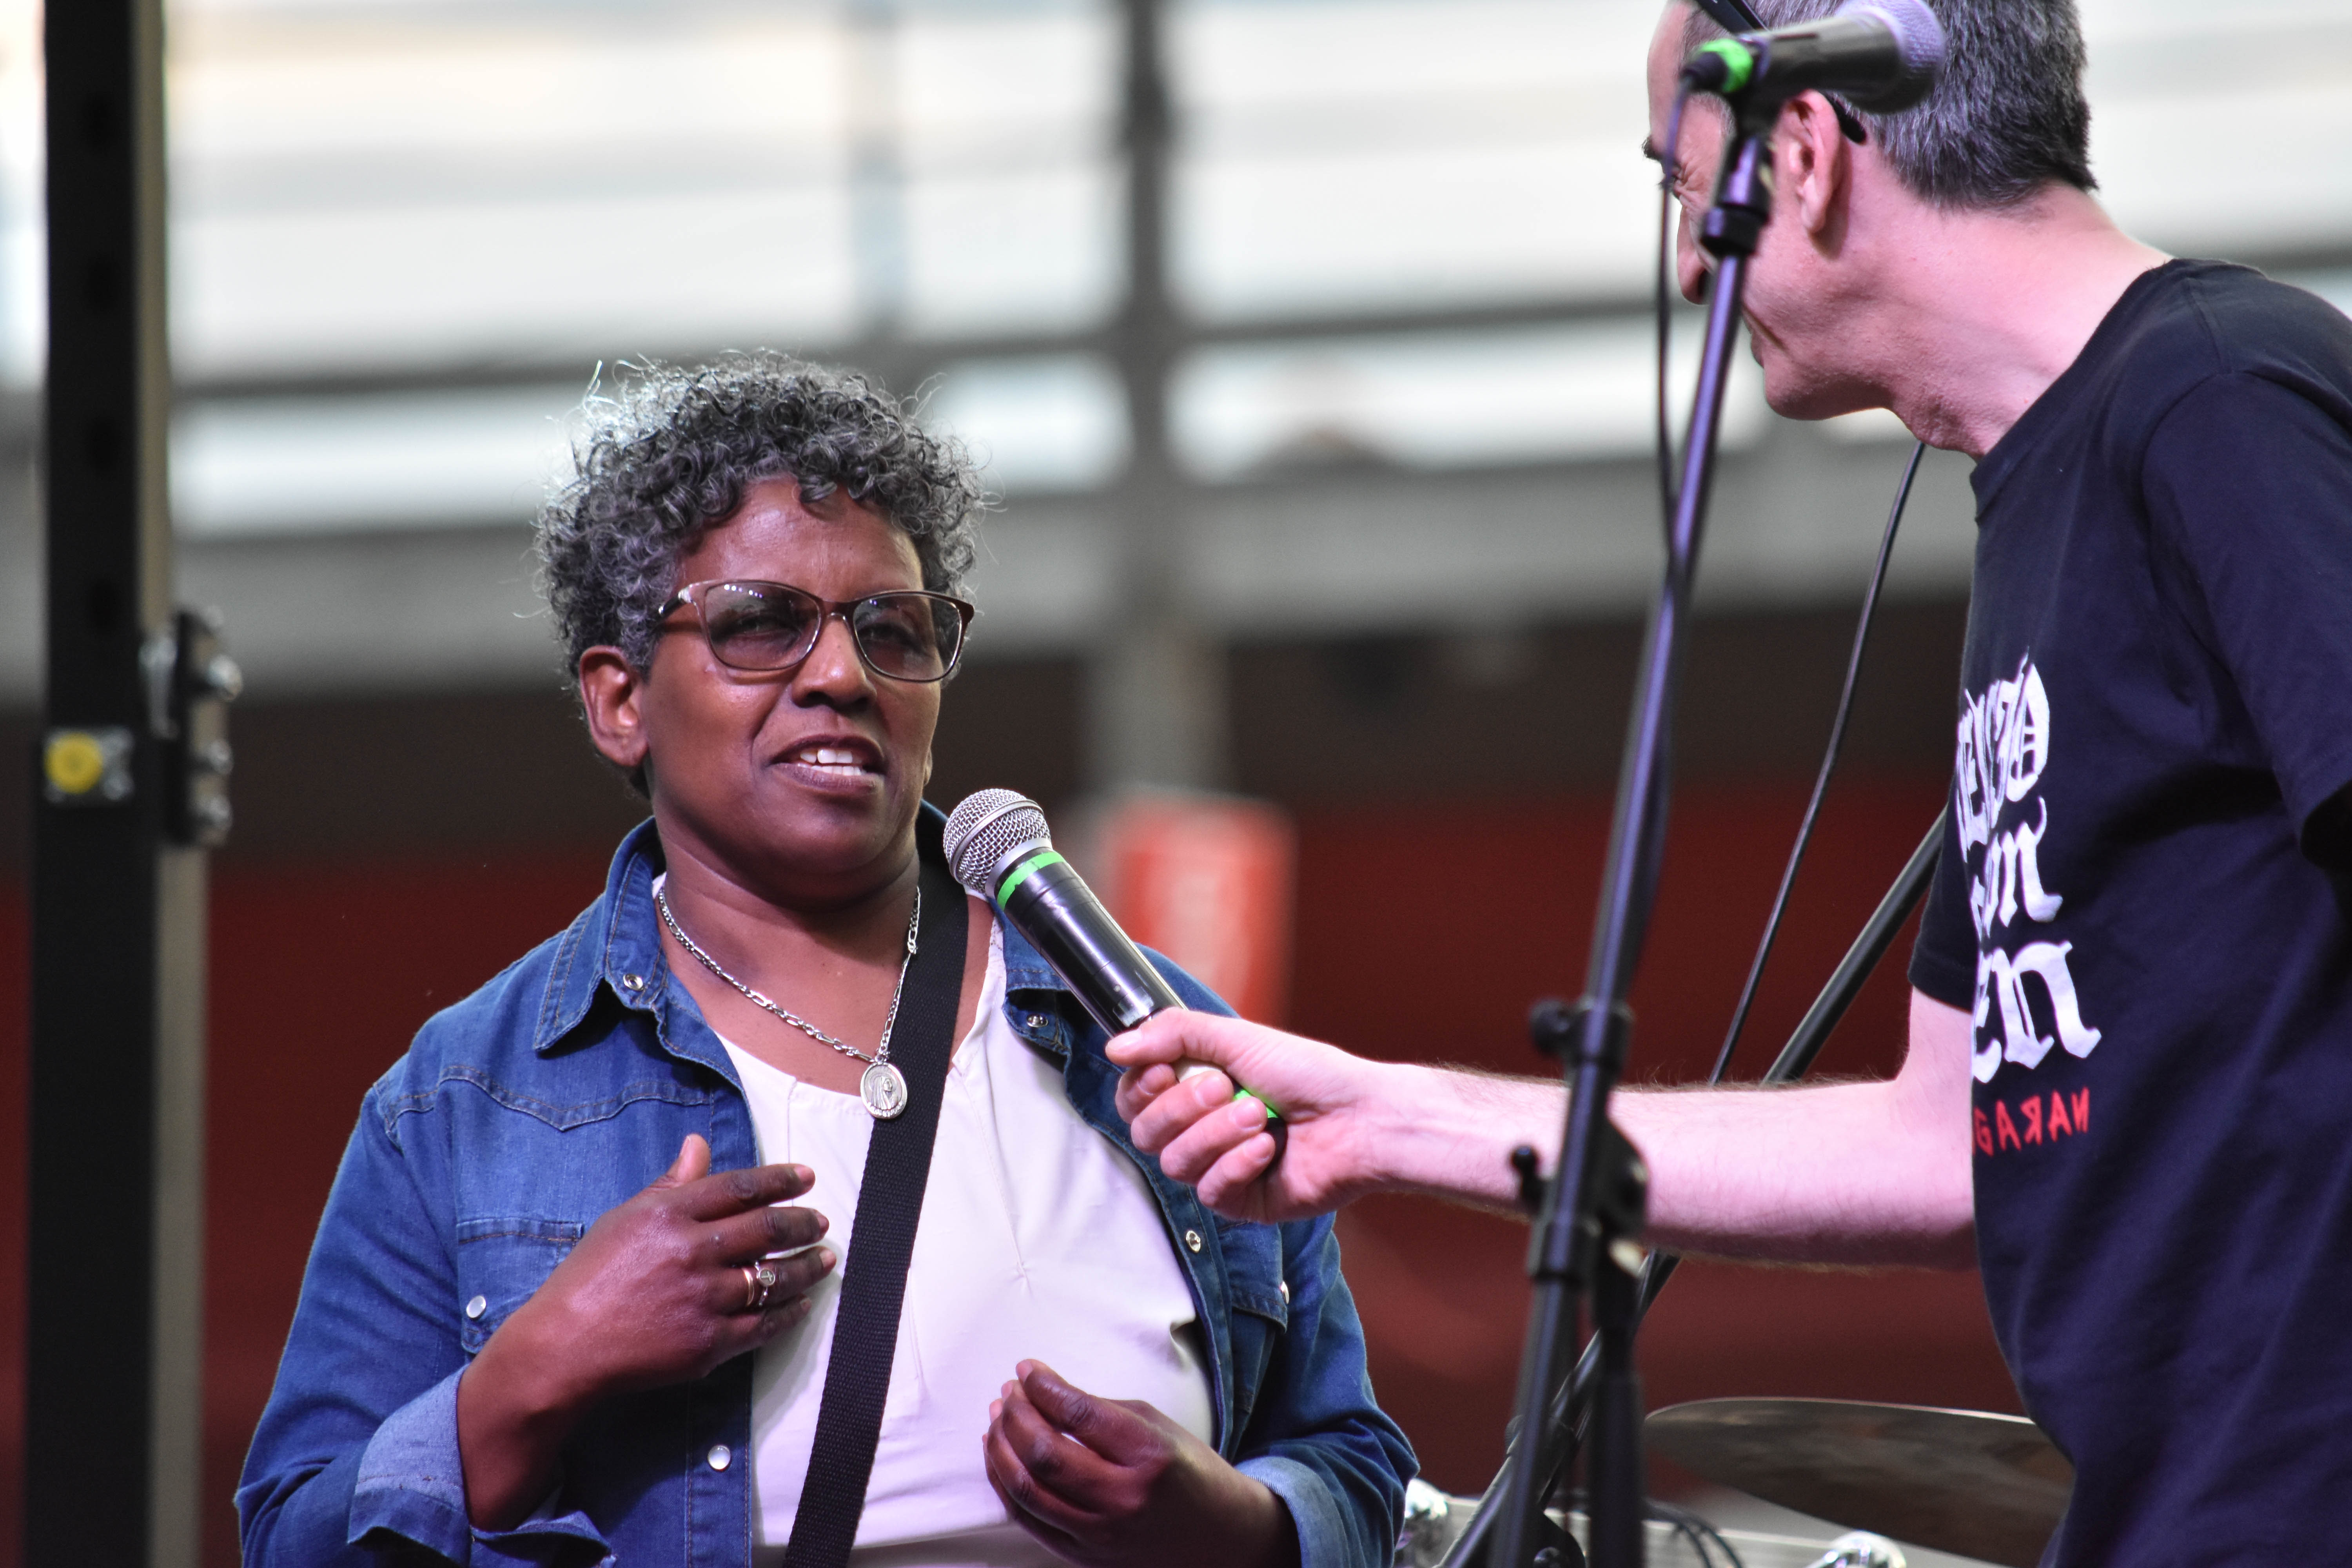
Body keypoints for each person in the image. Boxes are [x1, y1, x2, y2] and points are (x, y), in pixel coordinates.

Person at [1112, 2, 2352, 1563]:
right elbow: (1944, 1137)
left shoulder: (2219, 398)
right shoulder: (2043, 513)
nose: (1692, 265)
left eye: (1684, 188)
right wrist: (1385, 1119)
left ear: (1813, 152)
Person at [237, 358, 1412, 1568]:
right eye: (760, 625)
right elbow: (295, 1540)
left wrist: (1227, 1527)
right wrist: (535, 1374)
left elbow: (1354, 1467)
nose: (844, 676)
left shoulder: (1152, 1035)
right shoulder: (467, 1103)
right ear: (619, 701)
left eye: (892, 631)